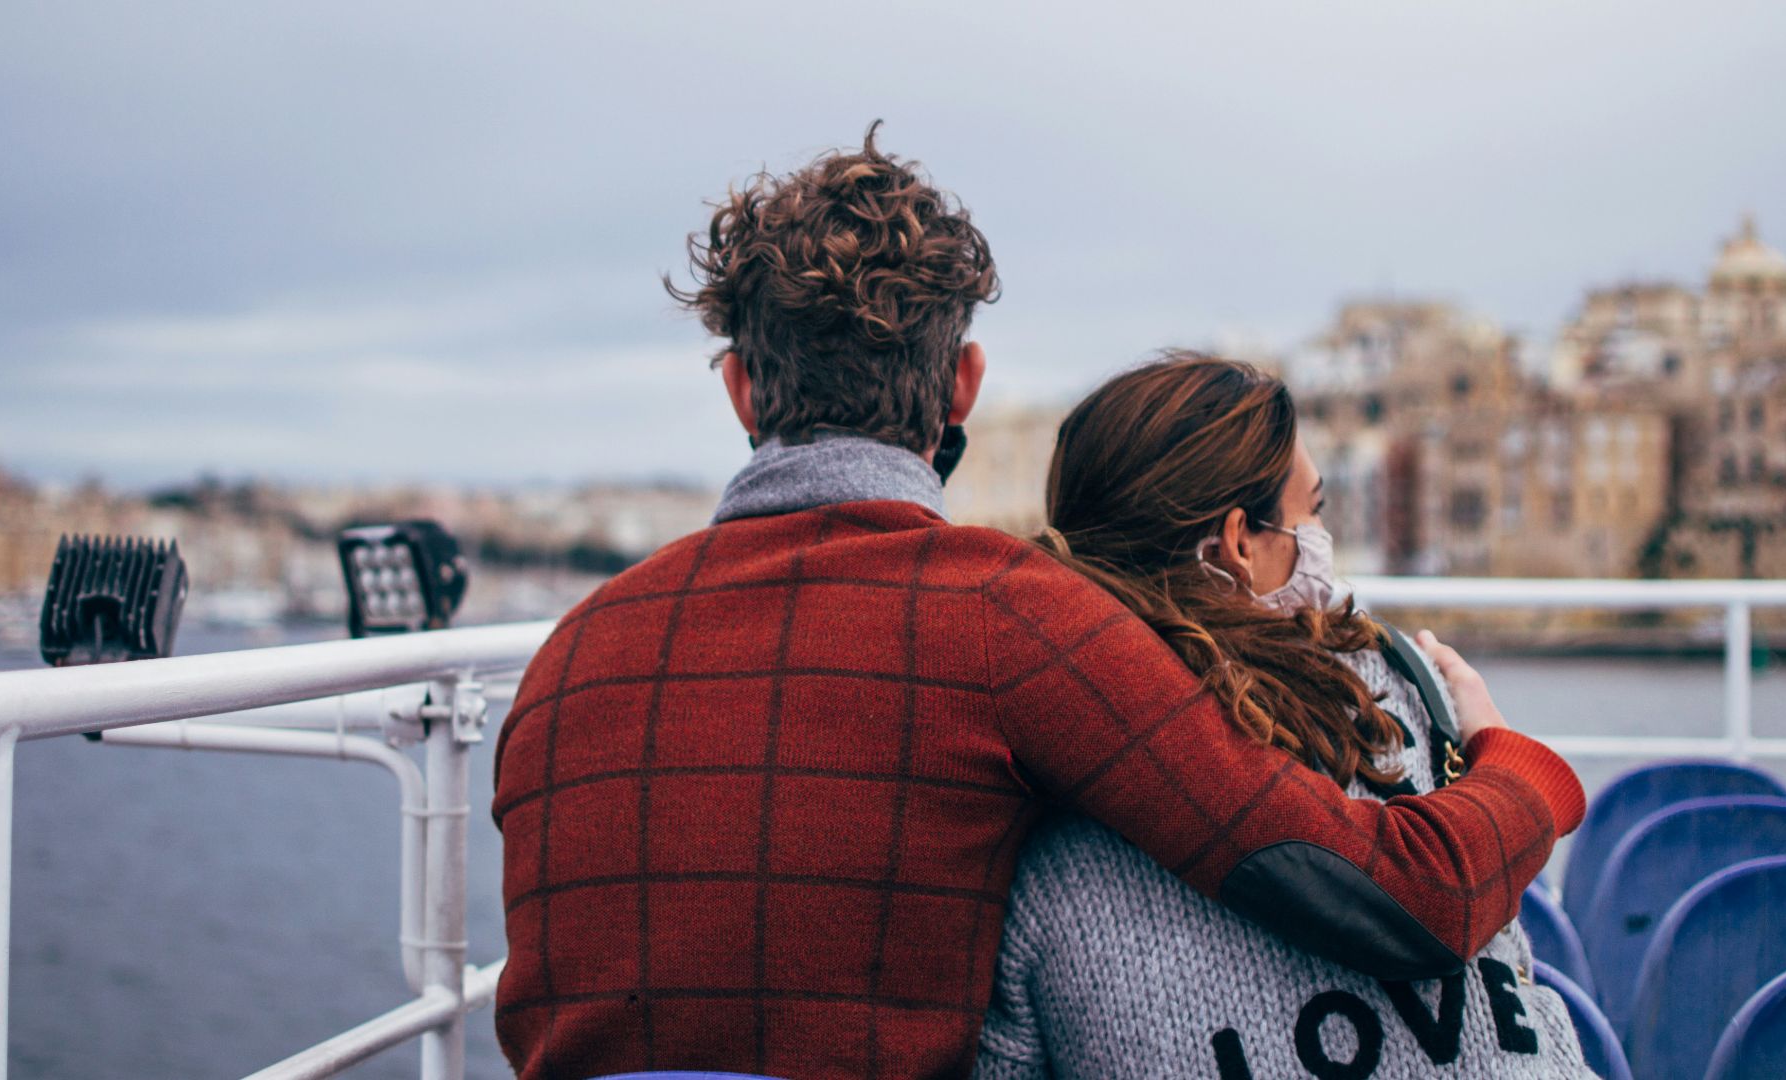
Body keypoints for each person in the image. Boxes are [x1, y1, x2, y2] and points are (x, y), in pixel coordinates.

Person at [490, 125, 1585, 1080]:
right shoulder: (1005, 615)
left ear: (738, 387)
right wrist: (1522, 766)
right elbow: (1381, 893)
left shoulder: (570, 654)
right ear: (964, 382)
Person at [975, 353, 1593, 1078]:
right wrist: (1502, 757)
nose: (1322, 544)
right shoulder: (1399, 697)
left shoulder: (1038, 795)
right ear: (1239, 544)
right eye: (1315, 511)